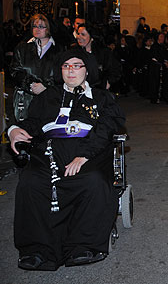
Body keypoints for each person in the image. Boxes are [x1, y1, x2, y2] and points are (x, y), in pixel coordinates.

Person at [8, 48, 125, 270]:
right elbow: (32, 123)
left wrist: (84, 155)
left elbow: (107, 127)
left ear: (87, 70)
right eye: (66, 66)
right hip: (50, 154)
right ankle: (38, 250)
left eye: (77, 65)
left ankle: (83, 245)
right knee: (31, 183)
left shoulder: (101, 97)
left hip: (88, 152)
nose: (71, 70)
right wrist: (14, 130)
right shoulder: (47, 97)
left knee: (93, 182)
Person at [10, 14, 64, 121]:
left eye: (41, 26)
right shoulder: (22, 47)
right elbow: (14, 71)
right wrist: (30, 84)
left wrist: (45, 86)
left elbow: (61, 74)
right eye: (34, 26)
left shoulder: (59, 50)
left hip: (49, 99)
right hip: (25, 99)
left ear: (48, 29)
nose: (37, 29)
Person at [73, 24, 122, 90]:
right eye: (78, 34)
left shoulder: (103, 53)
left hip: (98, 90)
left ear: (92, 38)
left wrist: (108, 82)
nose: (79, 37)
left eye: (83, 35)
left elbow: (116, 68)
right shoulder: (74, 52)